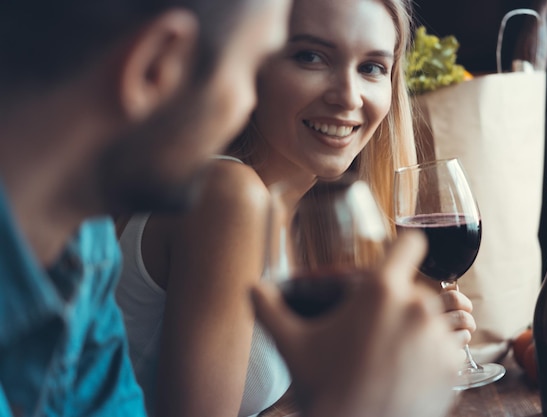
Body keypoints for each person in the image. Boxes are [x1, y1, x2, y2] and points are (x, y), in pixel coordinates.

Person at [0, 2, 465, 417]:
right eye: (250, 66)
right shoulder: (229, 194)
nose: (347, 96)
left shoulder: (87, 251)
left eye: (372, 67)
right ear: (157, 66)